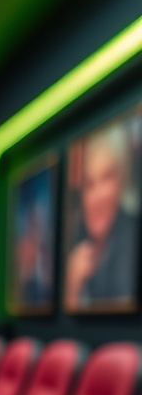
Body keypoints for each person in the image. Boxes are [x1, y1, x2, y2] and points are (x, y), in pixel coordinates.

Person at [64, 123, 140, 310]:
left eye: (107, 178)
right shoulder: (77, 240)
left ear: (121, 182)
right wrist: (71, 287)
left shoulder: (133, 238)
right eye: (90, 184)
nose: (96, 197)